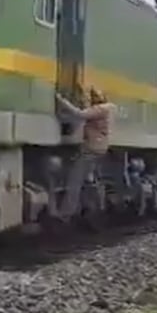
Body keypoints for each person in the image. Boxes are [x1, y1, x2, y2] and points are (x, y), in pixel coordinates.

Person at [54, 87, 115, 220]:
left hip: (91, 149)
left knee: (75, 180)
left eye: (93, 97)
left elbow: (80, 114)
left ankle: (66, 213)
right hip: (98, 148)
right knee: (87, 179)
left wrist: (61, 100)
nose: (91, 99)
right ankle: (90, 206)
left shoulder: (100, 109)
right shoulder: (108, 109)